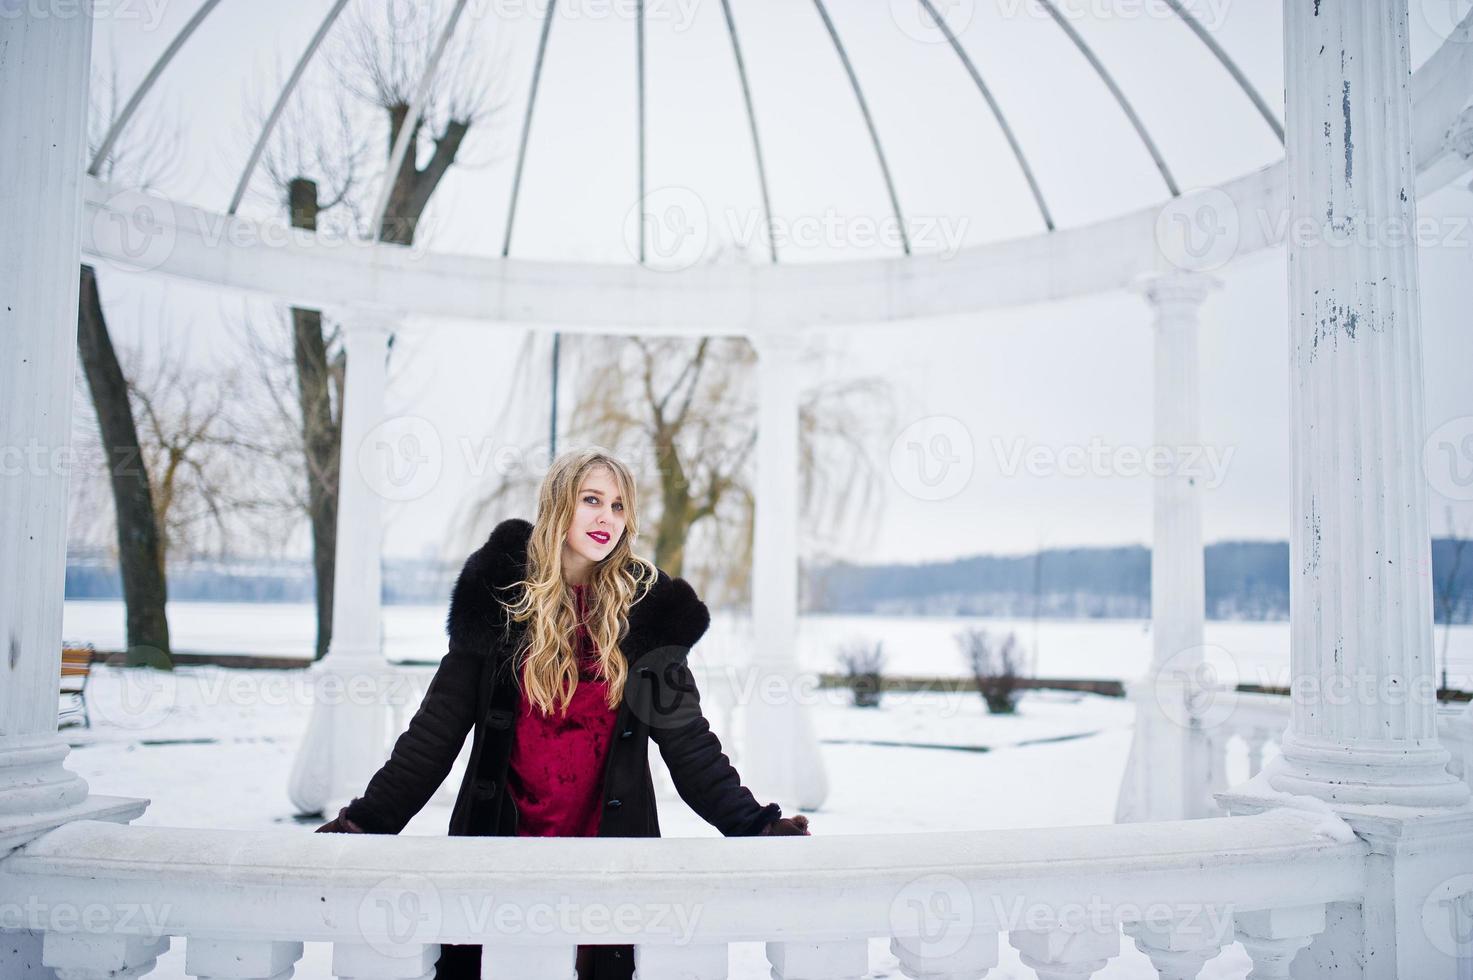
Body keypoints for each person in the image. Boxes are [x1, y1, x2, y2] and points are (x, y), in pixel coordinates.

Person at [316, 447, 810, 980]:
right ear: (558, 506)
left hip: (609, 860)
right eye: (591, 500)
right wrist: (365, 823)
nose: (607, 518)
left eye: (619, 506)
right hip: (500, 855)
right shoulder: (499, 600)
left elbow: (690, 743)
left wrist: (756, 826)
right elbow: (434, 734)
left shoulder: (645, 614)